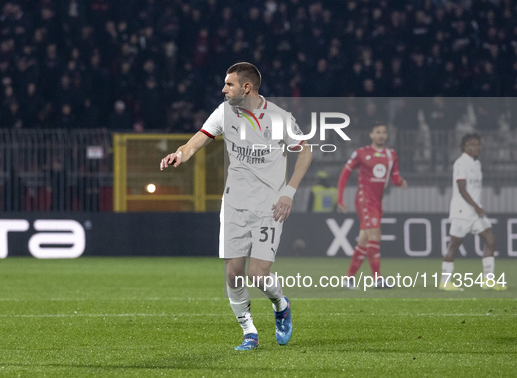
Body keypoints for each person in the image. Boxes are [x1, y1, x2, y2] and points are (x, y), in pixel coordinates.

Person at [160, 62, 312, 350]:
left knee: (257, 274)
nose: (223, 89)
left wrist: (289, 192)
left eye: (228, 84)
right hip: (234, 202)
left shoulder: (279, 117)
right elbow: (197, 141)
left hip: (269, 205)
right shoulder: (224, 111)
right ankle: (249, 332)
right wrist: (180, 154)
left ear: (246, 87)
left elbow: (305, 152)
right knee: (233, 272)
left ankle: (280, 304)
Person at [337, 122, 408, 289]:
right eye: (378, 132)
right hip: (364, 200)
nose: (381, 135)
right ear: (371, 135)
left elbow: (395, 177)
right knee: (375, 235)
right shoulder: (361, 153)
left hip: (377, 201)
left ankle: (348, 279)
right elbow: (344, 174)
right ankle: (377, 279)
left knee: (364, 240)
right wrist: (340, 198)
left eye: (384, 132)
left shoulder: (391, 155)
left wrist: (401, 182)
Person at [439, 133, 506, 291]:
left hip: (475, 212)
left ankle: (488, 279)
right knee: (454, 246)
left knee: (490, 240)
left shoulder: (477, 164)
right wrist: (476, 206)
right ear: (464, 147)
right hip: (462, 211)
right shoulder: (460, 163)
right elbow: (462, 189)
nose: (477, 147)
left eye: (478, 144)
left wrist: (477, 208)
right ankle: (444, 281)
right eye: (472, 144)